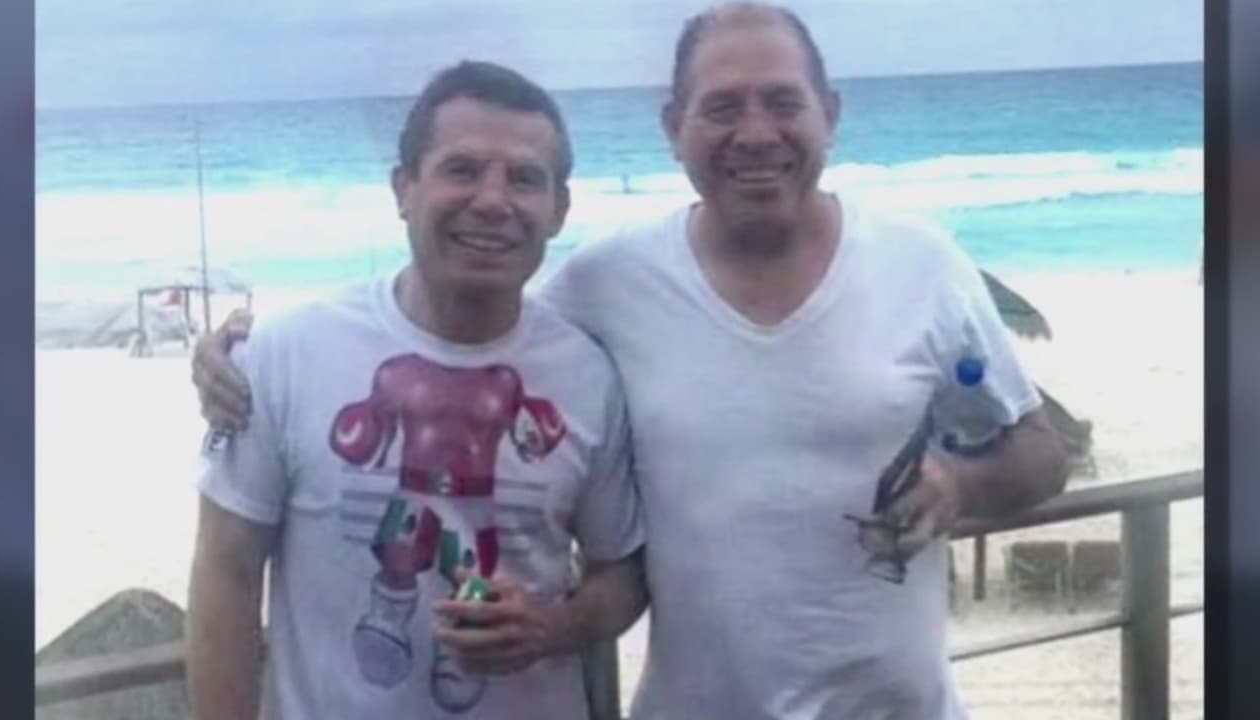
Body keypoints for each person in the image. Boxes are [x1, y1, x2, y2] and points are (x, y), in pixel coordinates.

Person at [192, 4, 1070, 718]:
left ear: (829, 116)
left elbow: (1040, 454)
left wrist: (961, 484)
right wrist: (230, 361)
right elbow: (466, 319)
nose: (755, 132)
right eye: (721, 107)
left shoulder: (924, 266)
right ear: (673, 128)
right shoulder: (607, 286)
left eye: (782, 101)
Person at [186, 60, 646, 720]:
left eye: (524, 178)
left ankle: (452, 659)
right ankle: (389, 616)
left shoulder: (587, 374)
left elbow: (623, 571)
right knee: (399, 551)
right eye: (462, 169)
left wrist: (553, 626)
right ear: (404, 188)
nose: (493, 201)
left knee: (469, 577)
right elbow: (226, 570)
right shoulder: (283, 356)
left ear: (558, 210)